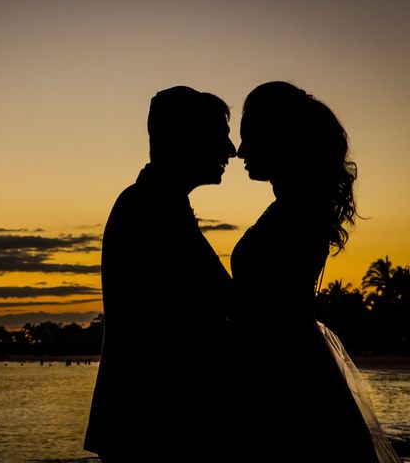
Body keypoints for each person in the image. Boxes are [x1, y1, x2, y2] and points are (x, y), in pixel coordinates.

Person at [230, 81, 400, 462]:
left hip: (282, 371)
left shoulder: (297, 213)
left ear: (279, 139)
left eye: (250, 137)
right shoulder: (296, 208)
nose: (240, 151)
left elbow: (266, 302)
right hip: (282, 361)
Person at [84, 86, 236, 461]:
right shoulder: (151, 208)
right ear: (186, 139)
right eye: (219, 136)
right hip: (153, 424)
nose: (230, 150)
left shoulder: (158, 203)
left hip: (149, 420)